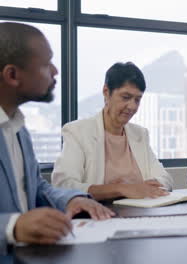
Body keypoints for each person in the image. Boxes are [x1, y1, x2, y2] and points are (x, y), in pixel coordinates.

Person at [0, 22, 114, 254]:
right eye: (45, 64)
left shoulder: (17, 126)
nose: (55, 71)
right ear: (12, 74)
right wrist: (12, 226)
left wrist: (70, 199)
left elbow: (35, 187)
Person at [52, 62, 173, 200]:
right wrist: (120, 189)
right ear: (106, 92)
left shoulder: (140, 134)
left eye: (137, 100)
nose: (132, 106)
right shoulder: (78, 132)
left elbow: (165, 179)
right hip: (100, 214)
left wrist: (141, 187)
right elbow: (64, 185)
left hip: (141, 213)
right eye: (126, 97)